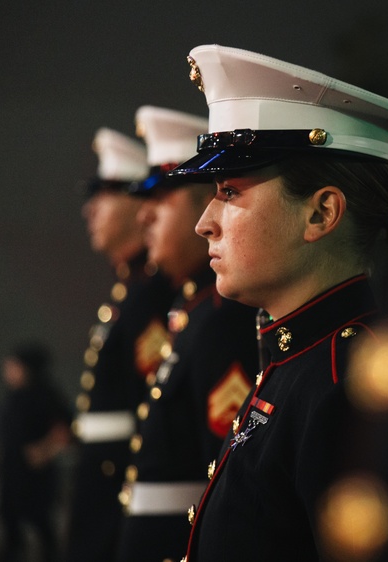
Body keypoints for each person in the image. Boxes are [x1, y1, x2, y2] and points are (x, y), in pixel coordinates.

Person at [165, 44, 388, 560]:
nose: (205, 223)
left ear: (321, 214)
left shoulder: (347, 385)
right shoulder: (297, 361)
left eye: (230, 192)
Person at [113, 105, 259, 562]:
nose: (144, 218)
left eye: (162, 201)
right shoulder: (188, 311)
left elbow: (223, 482)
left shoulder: (221, 319)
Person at [66, 127, 177, 562]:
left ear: (137, 206)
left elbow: (150, 412)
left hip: (119, 486)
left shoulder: (151, 295)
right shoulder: (131, 290)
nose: (90, 211)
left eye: (105, 196)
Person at [0, 341, 73, 562]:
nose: (8, 370)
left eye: (13, 365)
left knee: (42, 528)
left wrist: (45, 450)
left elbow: (66, 429)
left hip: (36, 476)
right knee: (11, 530)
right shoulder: (13, 396)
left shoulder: (46, 395)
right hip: (11, 473)